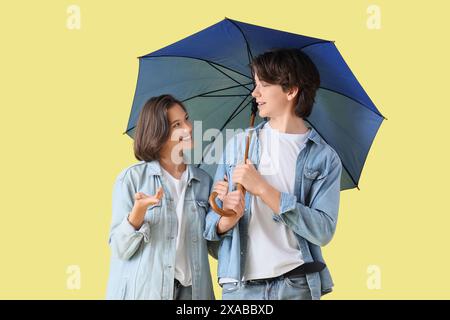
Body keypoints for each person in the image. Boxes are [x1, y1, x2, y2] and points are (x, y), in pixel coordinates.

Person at [204, 48, 343, 300]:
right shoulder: (238, 145)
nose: (254, 93)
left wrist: (262, 189)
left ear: (291, 90)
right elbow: (210, 232)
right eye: (255, 84)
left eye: (264, 85)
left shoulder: (324, 158)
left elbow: (323, 230)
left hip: (296, 285)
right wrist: (227, 218)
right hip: (240, 289)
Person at [106, 94, 215, 300]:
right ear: (159, 133)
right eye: (177, 125)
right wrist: (138, 212)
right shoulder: (132, 178)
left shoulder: (204, 181)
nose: (189, 128)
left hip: (193, 294)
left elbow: (215, 248)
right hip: (146, 293)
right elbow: (120, 249)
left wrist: (228, 215)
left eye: (186, 119)